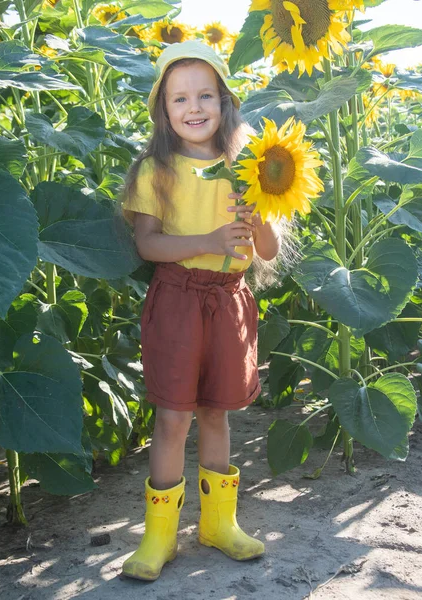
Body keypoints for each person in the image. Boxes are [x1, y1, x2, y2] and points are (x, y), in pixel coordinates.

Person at [121, 40, 281, 581]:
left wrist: (256, 213)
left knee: (217, 410)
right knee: (172, 416)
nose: (194, 107)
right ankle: (159, 535)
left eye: (205, 95)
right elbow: (149, 245)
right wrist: (208, 237)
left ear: (225, 101)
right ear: (163, 111)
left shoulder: (248, 167)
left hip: (229, 298)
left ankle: (217, 524)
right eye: (179, 98)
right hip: (176, 298)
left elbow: (270, 250)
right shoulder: (155, 172)